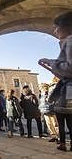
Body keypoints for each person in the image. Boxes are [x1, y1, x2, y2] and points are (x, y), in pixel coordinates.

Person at [38, 11, 72, 151]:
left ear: (66, 27)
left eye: (56, 27)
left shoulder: (70, 41)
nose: (55, 30)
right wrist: (50, 66)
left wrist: (52, 63)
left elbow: (70, 68)